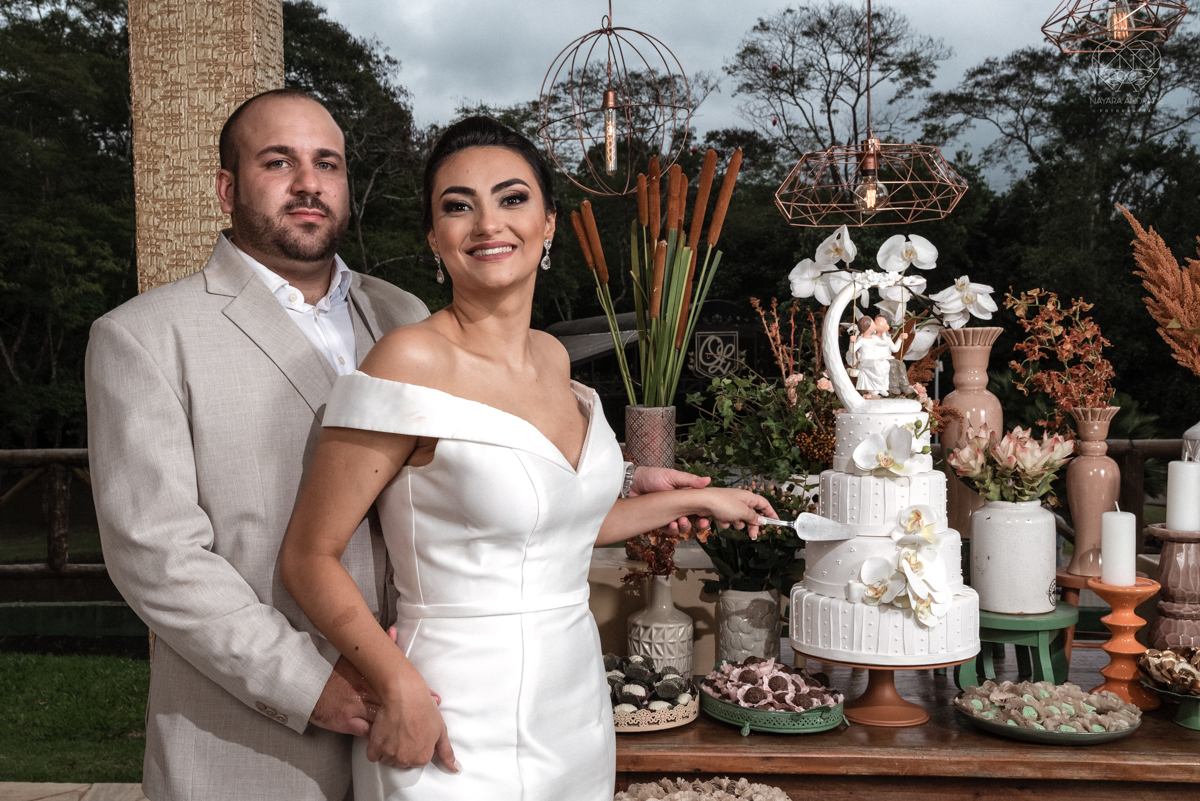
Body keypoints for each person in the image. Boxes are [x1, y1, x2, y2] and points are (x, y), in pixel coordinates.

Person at [86, 90, 712, 801]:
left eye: (327, 162)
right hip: (256, 737)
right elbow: (157, 559)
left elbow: (455, 474)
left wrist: (615, 481)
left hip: (443, 704)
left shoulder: (401, 313)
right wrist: (314, 685)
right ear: (228, 187)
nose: (307, 182)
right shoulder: (144, 337)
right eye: (277, 162)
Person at [279, 116, 775, 801]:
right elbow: (308, 555)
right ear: (434, 236)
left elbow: (560, 522)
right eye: (458, 205)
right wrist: (396, 682)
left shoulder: (554, 357)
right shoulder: (408, 361)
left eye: (512, 199)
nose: (488, 223)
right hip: (453, 709)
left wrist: (694, 499)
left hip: (573, 706)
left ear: (548, 224)